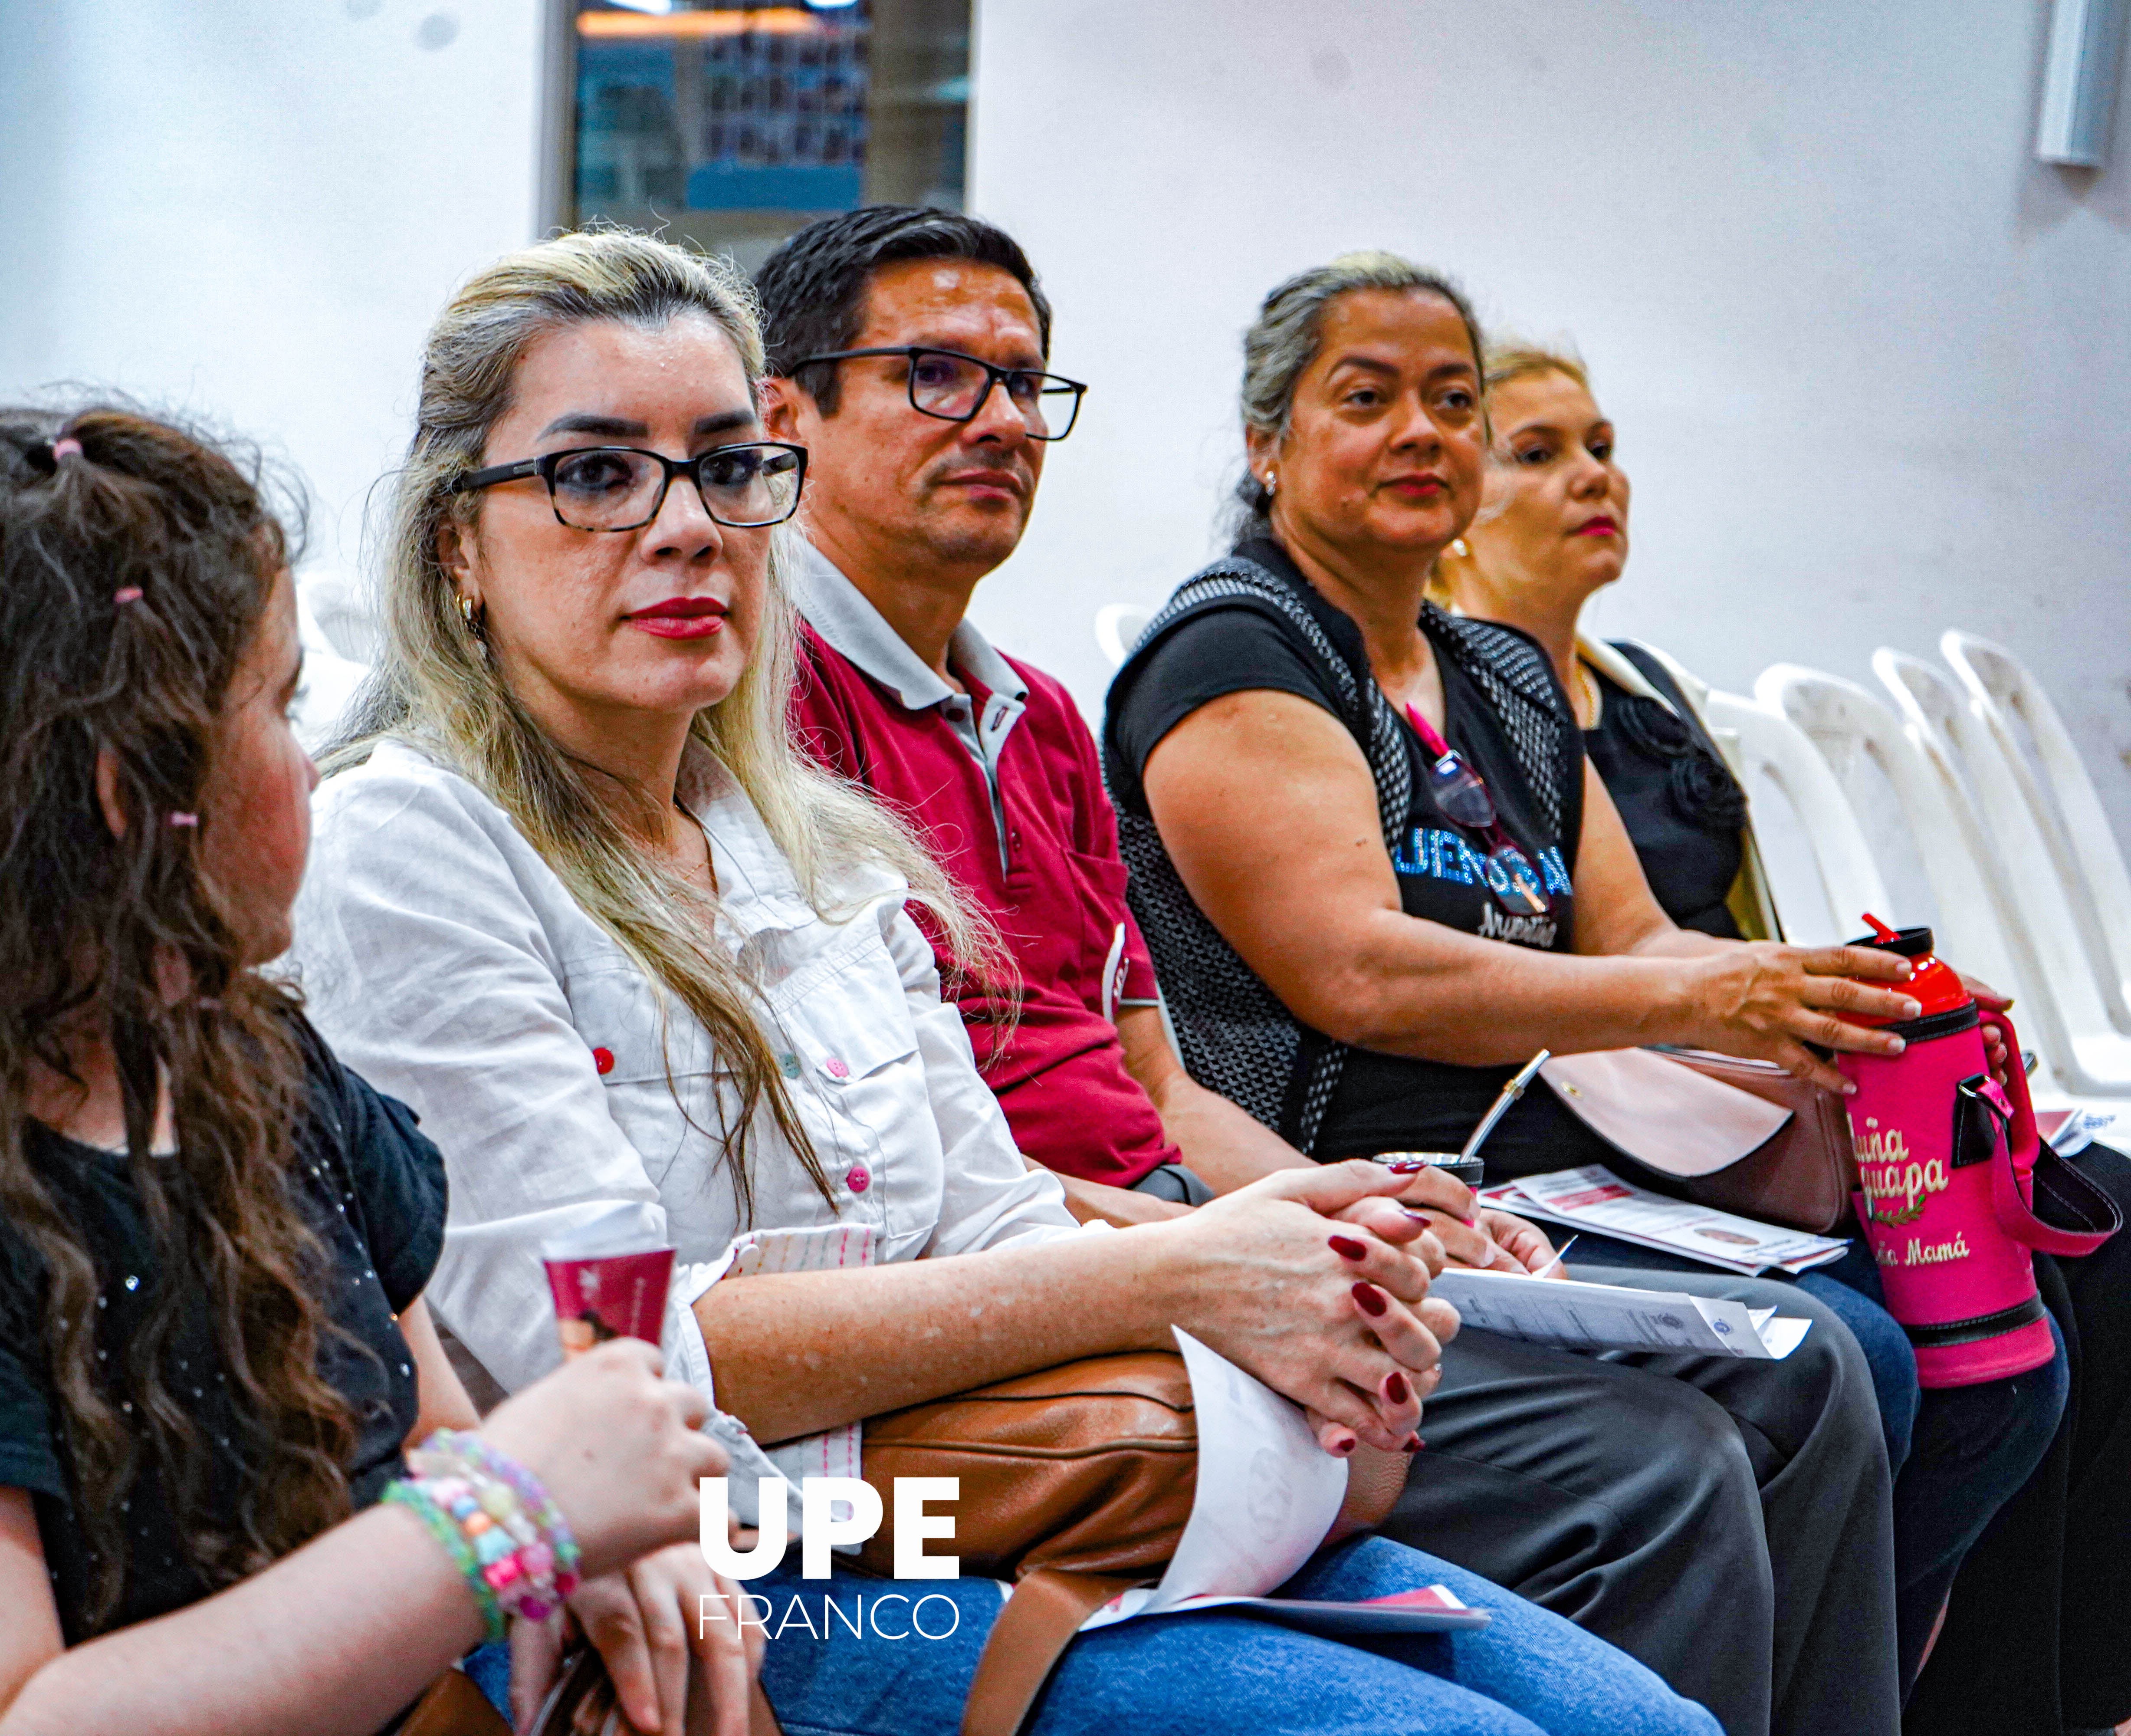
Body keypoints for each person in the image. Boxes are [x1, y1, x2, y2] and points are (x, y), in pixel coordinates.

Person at [292, 226, 1719, 1736]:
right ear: (459, 544)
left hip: (986, 1492)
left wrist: (1292, 1258)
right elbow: (612, 1366)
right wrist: (1178, 1269)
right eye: (594, 474)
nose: (685, 525)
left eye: (725, 468)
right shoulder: (412, 839)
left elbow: (991, 1211)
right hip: (726, 1569)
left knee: (1657, 1727)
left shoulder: (818, 848)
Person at [0, 406, 740, 1736]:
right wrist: (507, 1520)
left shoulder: (251, 1068)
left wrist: (584, 1550)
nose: (312, 766)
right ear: (126, 788)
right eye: (280, 710)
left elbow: (424, 1447)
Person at [1101, 253, 1914, 1736]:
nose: (1423, 432)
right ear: (1266, 442)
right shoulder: (1237, 649)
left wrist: (1809, 989)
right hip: (1351, 1188)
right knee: (1744, 1418)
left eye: (1456, 402)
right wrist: (1704, 1005)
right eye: (1369, 398)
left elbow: (1634, 936)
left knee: (1841, 1363)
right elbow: (1355, 970)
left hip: (1549, 1183)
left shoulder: (1503, 675)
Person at [1432, 344, 2115, 1732]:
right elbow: (1571, 982)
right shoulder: (1461, 715)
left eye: (1605, 443)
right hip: (1617, 1116)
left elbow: (1724, 932)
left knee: (2092, 1244)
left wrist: (1860, 1013)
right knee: (1905, 1347)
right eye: (1540, 449)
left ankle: (2033, 1691)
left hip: (1735, 1090)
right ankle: (1869, 1670)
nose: (1594, 477)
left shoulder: (1639, 696)